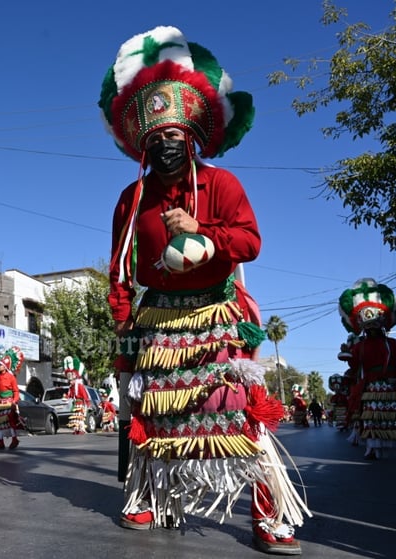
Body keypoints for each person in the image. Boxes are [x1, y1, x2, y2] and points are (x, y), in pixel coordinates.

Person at [98, 26, 309, 554]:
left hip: (217, 314)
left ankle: (269, 515)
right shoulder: (131, 198)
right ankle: (150, 498)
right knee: (155, 414)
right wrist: (123, 330)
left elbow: (250, 241)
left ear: (190, 136)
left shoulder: (222, 185)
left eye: (175, 135)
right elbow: (121, 270)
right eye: (157, 137)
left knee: (237, 410)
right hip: (156, 323)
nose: (167, 143)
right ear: (143, 142)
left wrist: (202, 236)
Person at [338, 278, 396, 460]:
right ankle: (372, 447)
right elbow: (355, 364)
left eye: (375, 328)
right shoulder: (360, 345)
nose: (372, 331)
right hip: (370, 386)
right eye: (369, 329)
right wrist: (347, 354)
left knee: (395, 417)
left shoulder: (391, 343)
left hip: (392, 385)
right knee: (371, 417)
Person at [0, 346, 23, 450]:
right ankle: (1, 442)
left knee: (11, 421)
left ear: (5, 367)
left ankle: (14, 439)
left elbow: (16, 391)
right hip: (0, 401)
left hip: (9, 401)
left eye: (0, 365)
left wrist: (14, 401)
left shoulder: (11, 377)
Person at [64, 356, 91, 435]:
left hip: (80, 403)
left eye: (71, 380)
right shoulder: (72, 387)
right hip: (75, 404)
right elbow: (71, 395)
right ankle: (76, 429)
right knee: (76, 417)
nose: (70, 381)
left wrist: (87, 403)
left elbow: (84, 395)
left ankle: (81, 429)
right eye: (70, 380)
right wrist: (66, 397)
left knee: (80, 417)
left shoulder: (79, 385)